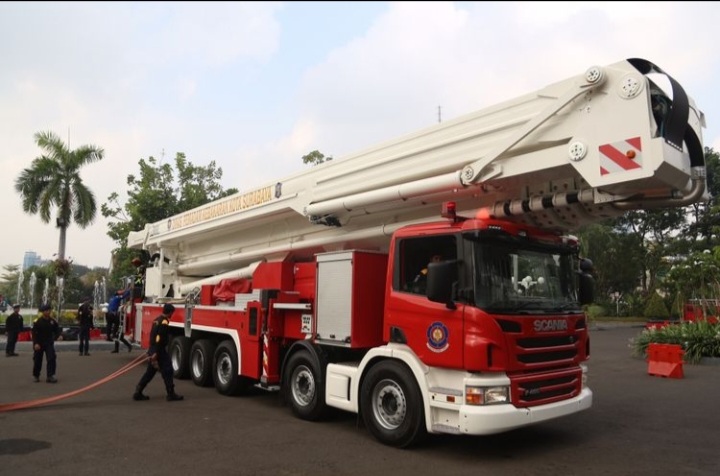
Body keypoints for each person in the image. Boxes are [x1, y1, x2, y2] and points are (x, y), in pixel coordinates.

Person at [133, 303, 183, 402]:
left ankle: (138, 391)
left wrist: (151, 350)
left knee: (150, 372)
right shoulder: (164, 322)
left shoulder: (156, 320)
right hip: (159, 350)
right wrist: (156, 352)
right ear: (169, 312)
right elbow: (159, 337)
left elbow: (153, 336)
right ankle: (170, 393)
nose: (172, 315)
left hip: (153, 348)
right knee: (168, 370)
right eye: (172, 312)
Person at [32, 304, 63, 383]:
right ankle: (36, 375)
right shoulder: (38, 321)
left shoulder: (52, 321)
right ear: (43, 312)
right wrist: (35, 343)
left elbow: (57, 329)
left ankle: (50, 376)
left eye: (49, 310)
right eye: (46, 311)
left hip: (49, 343)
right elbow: (34, 334)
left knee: (51, 358)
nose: (48, 312)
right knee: (37, 360)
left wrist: (59, 335)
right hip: (39, 343)